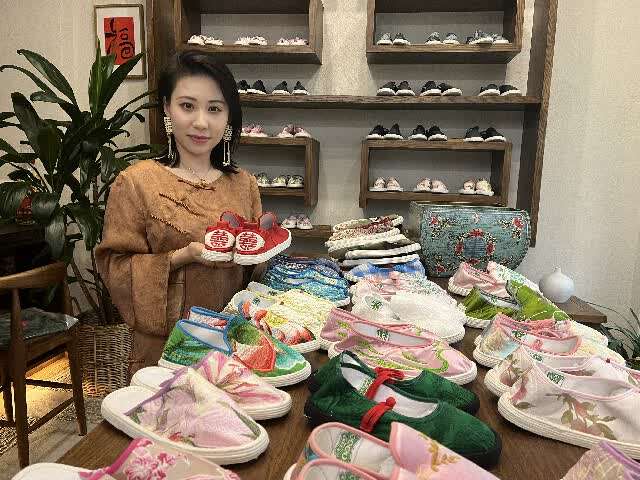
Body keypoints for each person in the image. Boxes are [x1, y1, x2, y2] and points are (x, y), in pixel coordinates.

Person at [95, 50, 262, 375]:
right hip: (164, 351)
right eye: (187, 106)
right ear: (167, 108)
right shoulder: (137, 182)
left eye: (214, 109)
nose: (201, 122)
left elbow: (255, 275)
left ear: (228, 116)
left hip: (233, 348)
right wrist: (182, 256)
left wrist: (262, 252)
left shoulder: (244, 185)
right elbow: (115, 267)